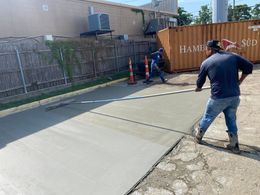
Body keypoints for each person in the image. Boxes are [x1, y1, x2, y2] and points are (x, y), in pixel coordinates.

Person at [194, 40, 253, 154]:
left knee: (207, 117)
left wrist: (198, 87)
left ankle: (198, 136)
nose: (205, 51)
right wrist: (239, 82)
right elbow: (249, 67)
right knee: (231, 119)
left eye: (206, 49)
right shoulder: (233, 56)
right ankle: (234, 145)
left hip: (218, 97)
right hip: (234, 97)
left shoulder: (206, 62)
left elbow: (200, 81)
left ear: (210, 49)